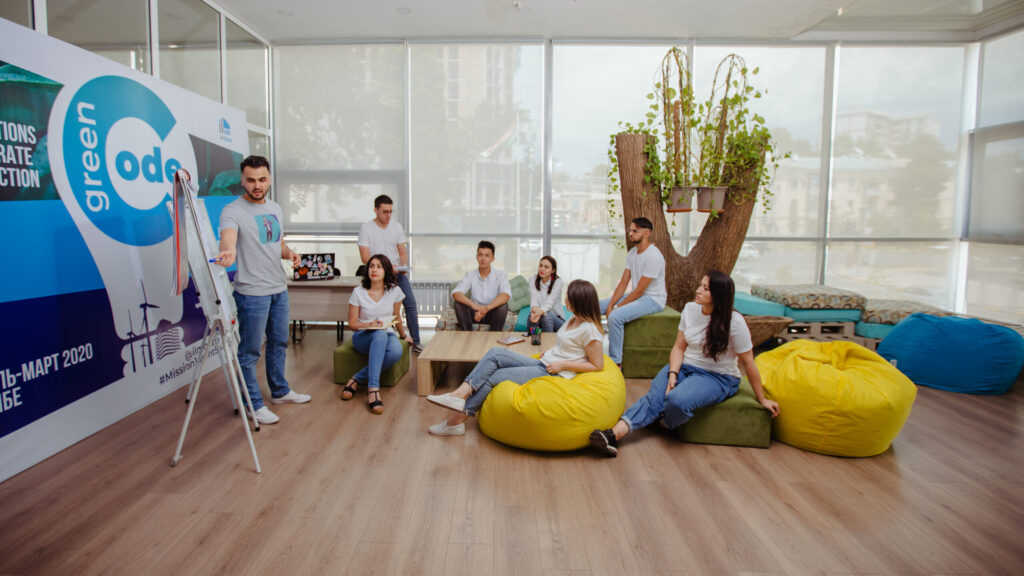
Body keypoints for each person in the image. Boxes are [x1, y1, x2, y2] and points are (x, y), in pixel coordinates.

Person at [589, 271, 780, 457]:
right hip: (685, 367)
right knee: (655, 396)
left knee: (676, 401)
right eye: (700, 286)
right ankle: (612, 435)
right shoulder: (690, 309)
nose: (698, 290)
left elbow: (748, 362)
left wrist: (762, 399)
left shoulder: (734, 322)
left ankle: (664, 423)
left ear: (718, 295)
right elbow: (679, 348)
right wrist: (673, 373)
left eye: (705, 289)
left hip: (718, 377)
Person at [426, 279, 605, 436]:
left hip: (553, 372)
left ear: (580, 302)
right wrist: (550, 353)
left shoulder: (590, 330)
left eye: (569, 297)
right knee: (495, 353)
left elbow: (597, 365)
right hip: (545, 362)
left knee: (494, 377)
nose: (565, 300)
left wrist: (563, 364)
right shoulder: (573, 319)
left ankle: (456, 421)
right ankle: (459, 394)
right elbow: (568, 346)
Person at [216, 155, 311, 425]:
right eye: (251, 180)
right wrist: (228, 252)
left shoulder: (275, 208)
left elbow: (275, 242)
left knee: (279, 343)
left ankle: (279, 391)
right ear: (242, 180)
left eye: (262, 179)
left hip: (278, 288)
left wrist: (289, 252)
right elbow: (228, 240)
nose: (257, 185)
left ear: (269, 179)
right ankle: (253, 404)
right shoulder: (232, 211)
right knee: (249, 352)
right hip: (252, 292)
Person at [340, 254, 413, 414]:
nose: (374, 270)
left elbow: (396, 316)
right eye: (371, 266)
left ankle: (356, 379)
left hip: (387, 333)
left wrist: (403, 335)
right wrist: (370, 324)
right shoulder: (358, 292)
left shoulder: (395, 291)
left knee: (396, 352)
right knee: (379, 334)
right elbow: (352, 324)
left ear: (386, 271)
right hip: (363, 336)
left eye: (379, 267)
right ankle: (373, 389)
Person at [358, 194, 422, 354]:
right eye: (384, 212)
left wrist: (403, 266)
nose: (388, 215)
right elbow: (365, 258)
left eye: (390, 212)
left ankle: (416, 342)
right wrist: (386, 267)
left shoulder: (397, 227)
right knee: (384, 308)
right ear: (375, 210)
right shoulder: (366, 228)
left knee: (411, 304)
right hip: (377, 275)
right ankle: (383, 337)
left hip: (397, 273)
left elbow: (402, 251)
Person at [601, 216, 667, 367]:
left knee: (615, 317)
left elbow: (639, 291)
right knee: (595, 306)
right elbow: (624, 283)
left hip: (653, 299)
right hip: (639, 296)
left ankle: (616, 362)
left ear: (646, 233)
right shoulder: (632, 253)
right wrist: (611, 304)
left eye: (634, 231)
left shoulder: (654, 256)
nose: (630, 233)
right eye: (630, 230)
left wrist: (616, 308)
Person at [451, 241, 511, 331]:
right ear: (476, 257)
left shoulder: (501, 275)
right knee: (458, 304)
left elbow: (506, 295)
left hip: (492, 312)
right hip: (474, 313)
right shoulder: (470, 275)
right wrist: (474, 306)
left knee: (503, 307)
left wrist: (486, 309)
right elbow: (456, 293)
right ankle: (467, 335)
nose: (483, 258)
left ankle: (493, 337)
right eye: (480, 255)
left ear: (493, 259)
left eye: (487, 256)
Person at [528, 255, 565, 334]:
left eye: (546, 267)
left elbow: (549, 303)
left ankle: (548, 344)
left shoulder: (558, 282)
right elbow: (534, 300)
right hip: (540, 316)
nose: (542, 269)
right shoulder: (532, 279)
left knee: (546, 316)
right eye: (541, 266)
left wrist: (539, 313)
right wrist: (535, 311)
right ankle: (533, 341)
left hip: (557, 320)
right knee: (531, 315)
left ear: (553, 270)